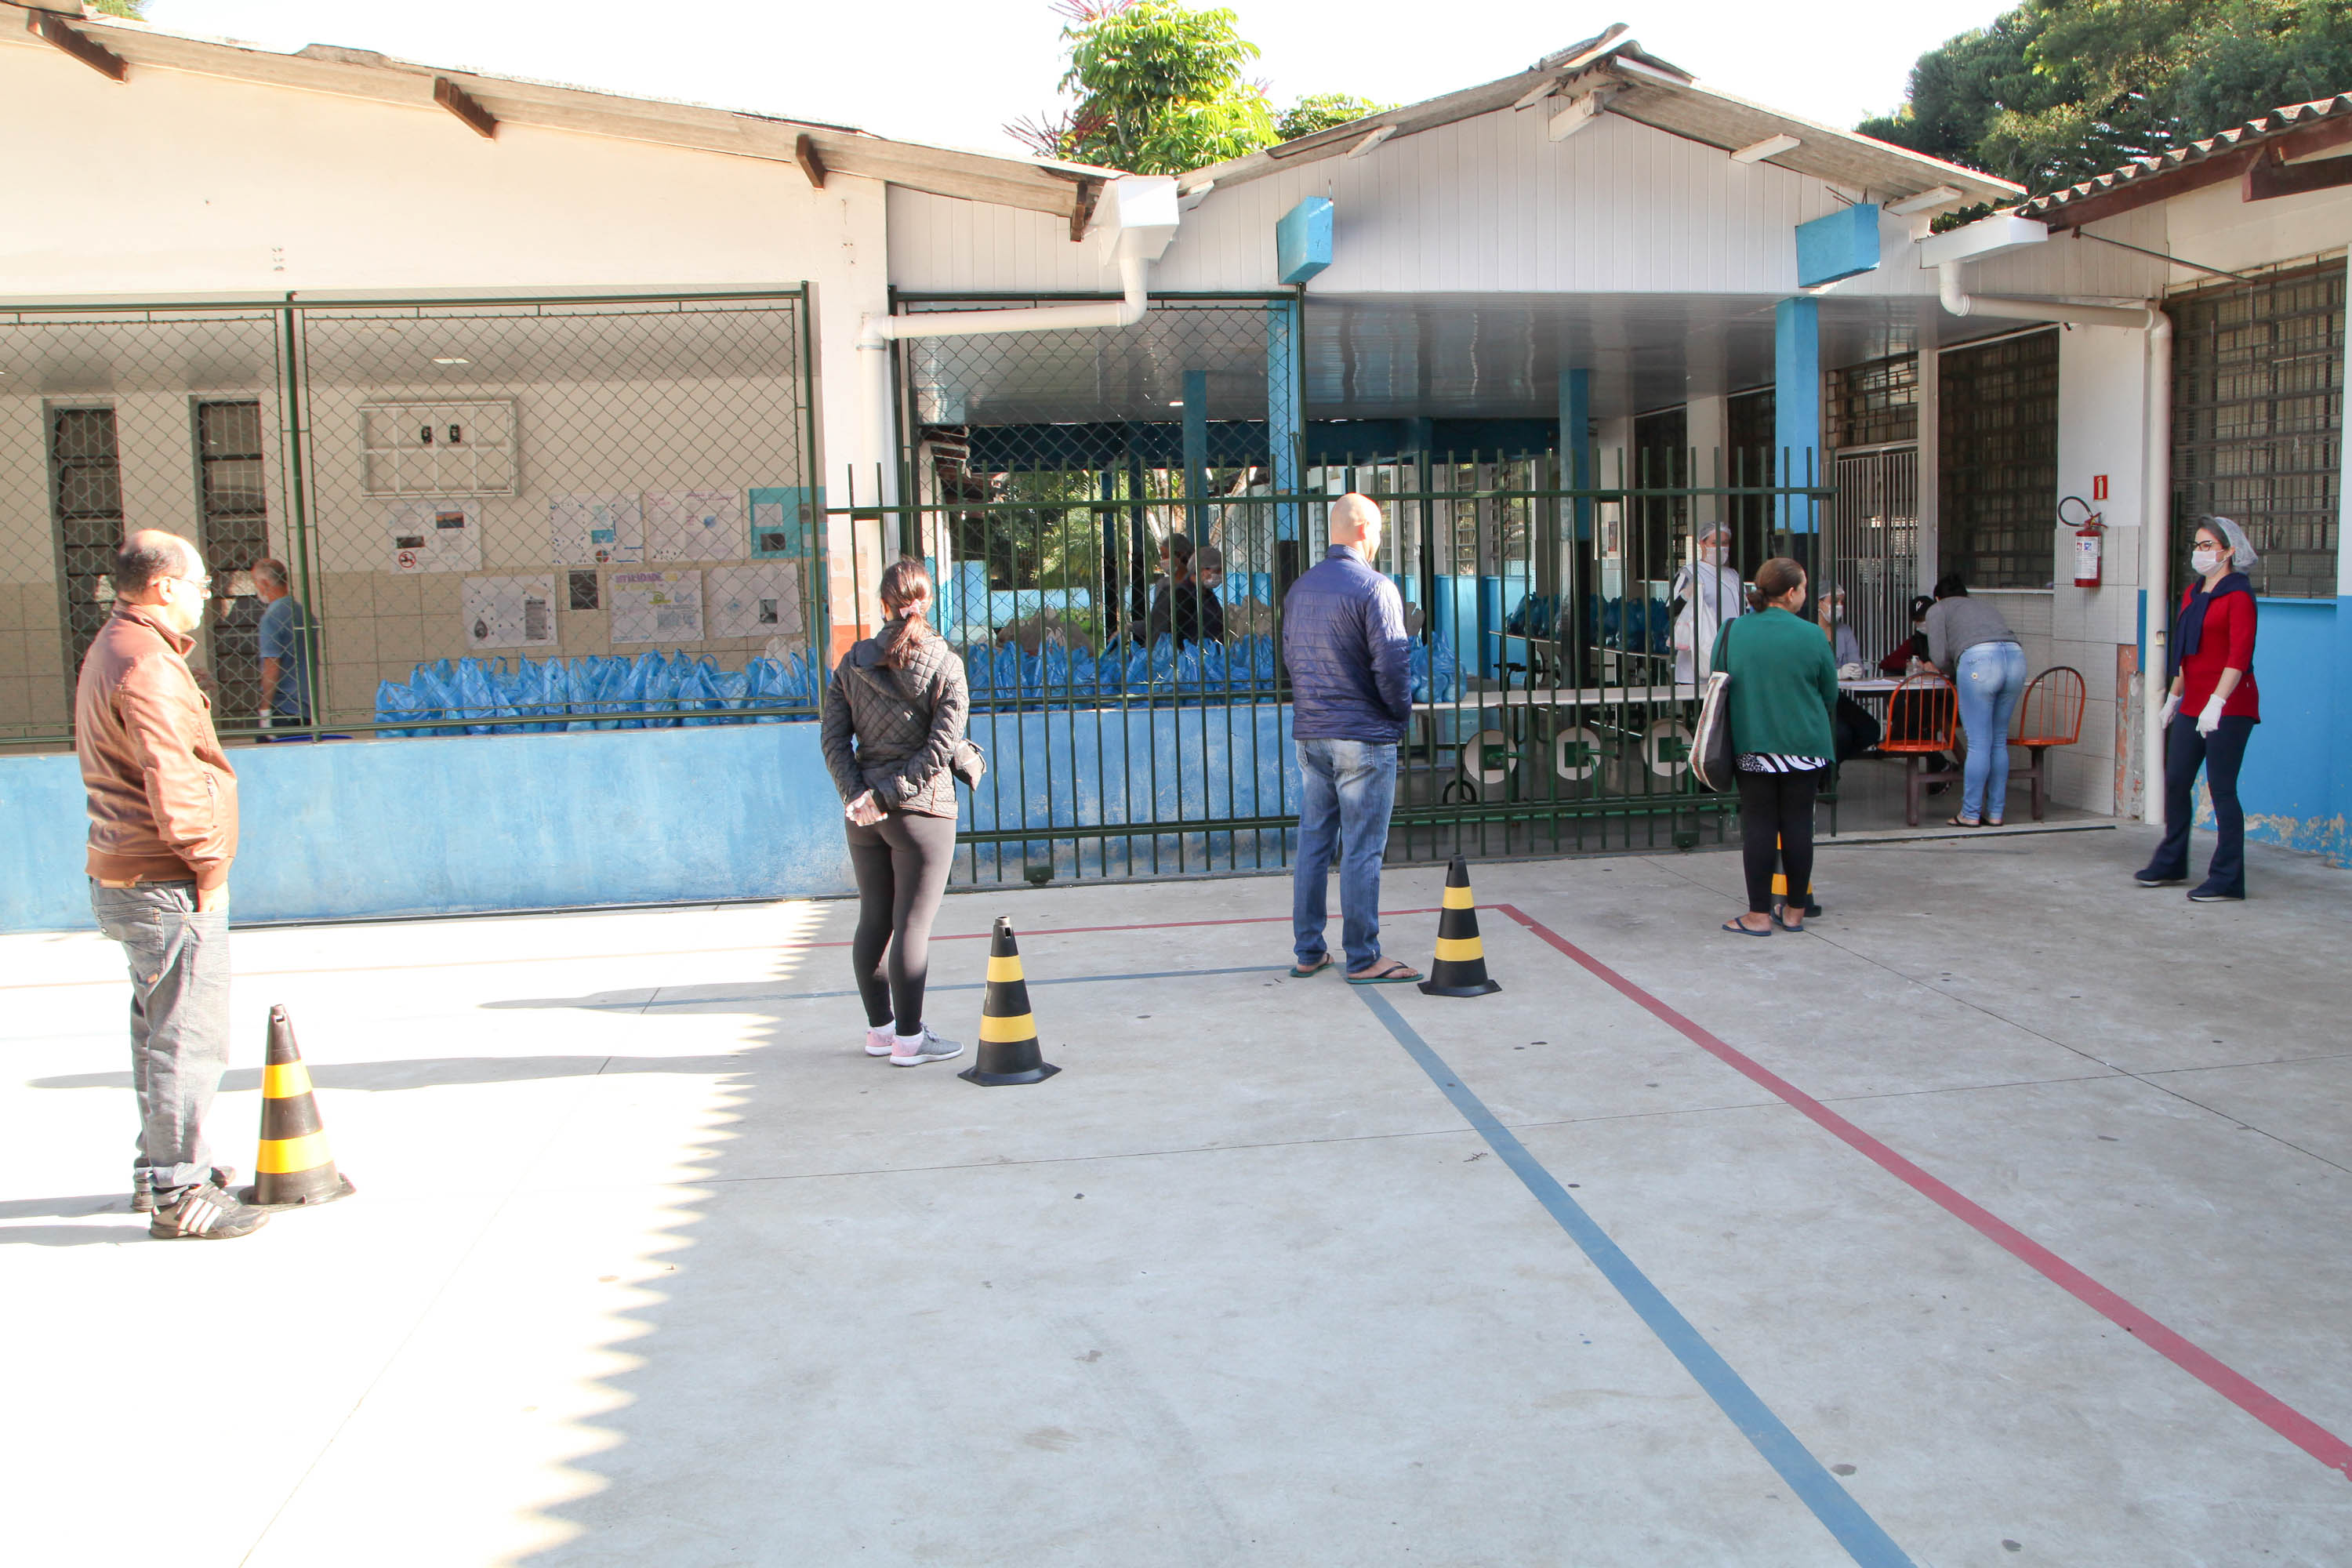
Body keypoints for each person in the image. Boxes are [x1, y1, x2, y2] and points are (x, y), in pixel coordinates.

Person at [77, 532, 268, 1239]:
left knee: (163, 1032)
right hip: (164, 877)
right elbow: (175, 775)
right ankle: (178, 1191)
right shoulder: (149, 664)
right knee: (189, 1037)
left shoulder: (118, 645)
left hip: (132, 871)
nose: (207, 595)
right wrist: (208, 867)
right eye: (201, 584)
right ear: (163, 586)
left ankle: (163, 1167)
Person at [821, 559, 969, 1066]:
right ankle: (910, 1040)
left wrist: (858, 795)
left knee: (874, 920)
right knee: (911, 926)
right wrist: (889, 794)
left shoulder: (850, 663)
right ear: (928, 603)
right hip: (922, 811)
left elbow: (833, 740)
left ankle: (880, 1031)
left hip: (865, 814)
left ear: (882, 604)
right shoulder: (945, 663)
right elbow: (941, 747)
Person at [1282, 493, 1419, 983]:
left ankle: (1308, 950)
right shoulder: (1376, 588)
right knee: (1362, 847)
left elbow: (1291, 658)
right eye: (1379, 530)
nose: (1380, 540)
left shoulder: (1300, 589)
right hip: (1362, 735)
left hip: (1312, 733)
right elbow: (1393, 666)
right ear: (1363, 531)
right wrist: (1400, 717)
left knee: (1315, 843)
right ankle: (1363, 957)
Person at [1709, 557, 1838, 936]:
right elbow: (1830, 694)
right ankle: (1795, 911)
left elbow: (1718, 683)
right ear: (1791, 592)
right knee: (1799, 824)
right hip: (1806, 744)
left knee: (1760, 825)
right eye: (1802, 587)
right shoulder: (1813, 635)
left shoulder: (1733, 631)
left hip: (1754, 743)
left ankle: (1759, 915)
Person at [2136, 517, 2262, 901]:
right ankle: (2172, 861)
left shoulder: (2238, 596)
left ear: (2229, 552)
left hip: (2230, 705)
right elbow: (2188, 654)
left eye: (2208, 546)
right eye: (2197, 545)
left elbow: (2238, 657)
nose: (2200, 552)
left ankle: (2227, 879)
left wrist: (2217, 703)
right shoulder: (2193, 595)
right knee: (2175, 780)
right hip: (2192, 702)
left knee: (2222, 789)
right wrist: (2173, 697)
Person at [1920, 572, 2026, 828]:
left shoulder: (1938, 609)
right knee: (1998, 741)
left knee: (1979, 744)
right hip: (2015, 657)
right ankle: (1996, 812)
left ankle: (1970, 813)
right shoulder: (1981, 606)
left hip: (1980, 662)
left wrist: (1942, 666)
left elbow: (1940, 658)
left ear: (1937, 597)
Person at [1671, 524, 1744, 684]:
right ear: (1702, 544)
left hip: (1731, 655)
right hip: (1698, 662)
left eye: (1725, 543)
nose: (1721, 548)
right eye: (1715, 543)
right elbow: (1669, 610)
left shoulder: (1733, 575)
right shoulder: (1689, 573)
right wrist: (1685, 596)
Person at [252, 557, 314, 731]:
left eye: (256, 583)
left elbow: (272, 664)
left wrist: (265, 709)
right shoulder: (302, 612)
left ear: (264, 583)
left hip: (282, 709)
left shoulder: (272, 617)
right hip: (305, 706)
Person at [1147, 541, 1227, 647]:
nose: (1221, 575)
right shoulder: (1181, 595)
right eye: (1218, 570)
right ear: (1201, 569)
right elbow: (1169, 635)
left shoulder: (1207, 594)